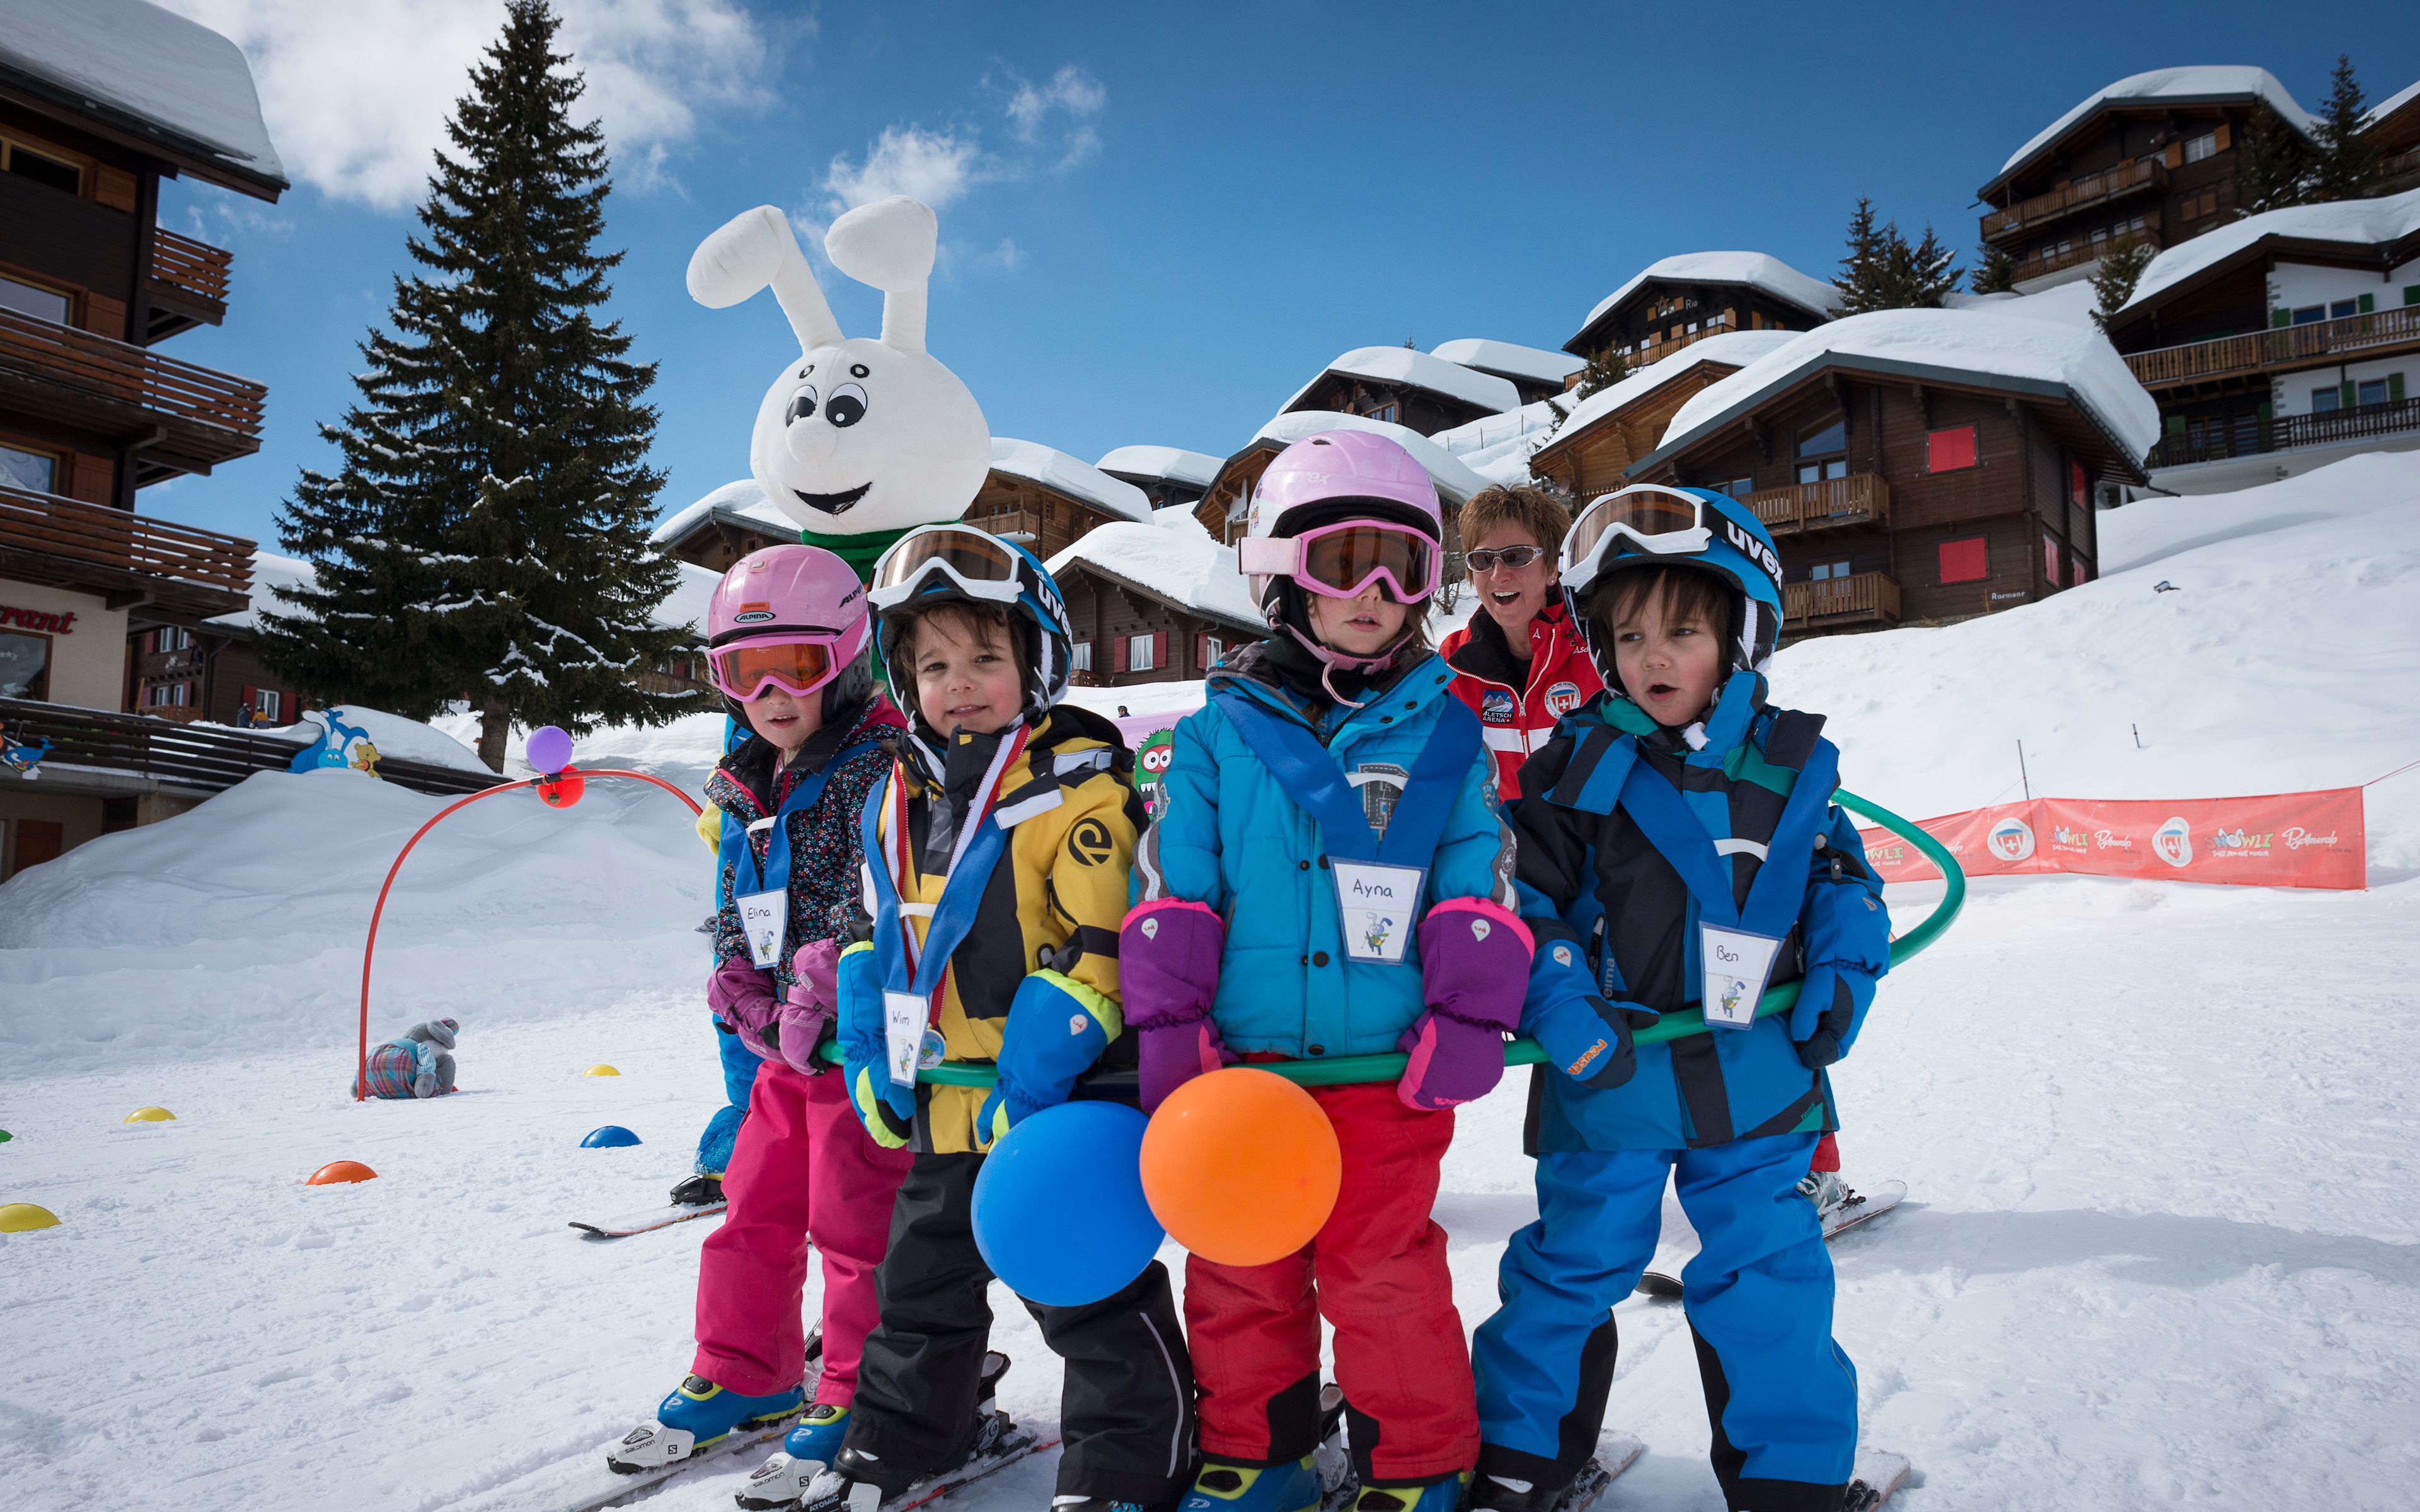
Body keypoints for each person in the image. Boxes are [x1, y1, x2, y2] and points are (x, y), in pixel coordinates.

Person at [1466, 484, 1891, 1512]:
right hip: (1611, 1081)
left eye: (1685, 632)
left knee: (1769, 1279)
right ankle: (1521, 1459)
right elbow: (1528, 905)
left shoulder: (1788, 769)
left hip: (1755, 1081)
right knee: (1568, 1270)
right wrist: (1560, 998)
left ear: (1740, 636)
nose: (1655, 657)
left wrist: (1843, 966)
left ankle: (1788, 1479)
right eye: (1632, 635)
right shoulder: (1575, 769)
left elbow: (1843, 884)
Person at [1124, 430, 1525, 1512]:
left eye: (1403, 565)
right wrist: (1170, 1027)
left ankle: (1417, 1463)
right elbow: (1175, 885)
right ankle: (1260, 1456)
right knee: (1239, 1276)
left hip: (1380, 1073)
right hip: (1246, 1074)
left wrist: (1468, 1015)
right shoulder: (1216, 738)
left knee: (1384, 1278)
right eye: (1345, 563)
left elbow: (1476, 877)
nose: (1377, 593)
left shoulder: (1447, 737)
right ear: (1281, 575)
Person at [823, 524, 1194, 1512]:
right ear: (906, 683)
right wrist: (872, 1045)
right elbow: (876, 935)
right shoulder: (896, 799)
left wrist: (1038, 1070)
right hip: (950, 1100)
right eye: (935, 664)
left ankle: (1129, 1465)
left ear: (1036, 660)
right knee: (920, 1288)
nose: (963, 684)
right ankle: (903, 1440)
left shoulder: (1081, 784)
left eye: (987, 657)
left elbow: (1102, 937)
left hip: (1058, 1101)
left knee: (1083, 1287)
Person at [613, 546, 914, 1482]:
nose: (775, 692)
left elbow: (900, 891)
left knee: (855, 1221)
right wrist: (734, 972)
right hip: (783, 1052)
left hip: (860, 1055)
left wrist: (836, 967)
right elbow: (738, 895)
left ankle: (862, 1384)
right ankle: (747, 1370)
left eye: (802, 666)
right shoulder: (747, 781)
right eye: (747, 672)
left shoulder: (889, 767)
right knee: (753, 1204)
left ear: (853, 655)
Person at [1438, 484, 1601, 806]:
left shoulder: (1599, 647)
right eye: (1483, 560)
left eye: (1516, 557)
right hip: (1504, 848)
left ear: (1552, 569)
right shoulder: (1454, 663)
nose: (1499, 575)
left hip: (1592, 849)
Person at [353, 1018, 459, 1098]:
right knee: (446, 1062)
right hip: (402, 1065)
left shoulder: (413, 1032)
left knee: (373, 1061)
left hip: (378, 1058)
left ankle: (358, 1087)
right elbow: (427, 1064)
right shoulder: (427, 1044)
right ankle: (427, 1087)